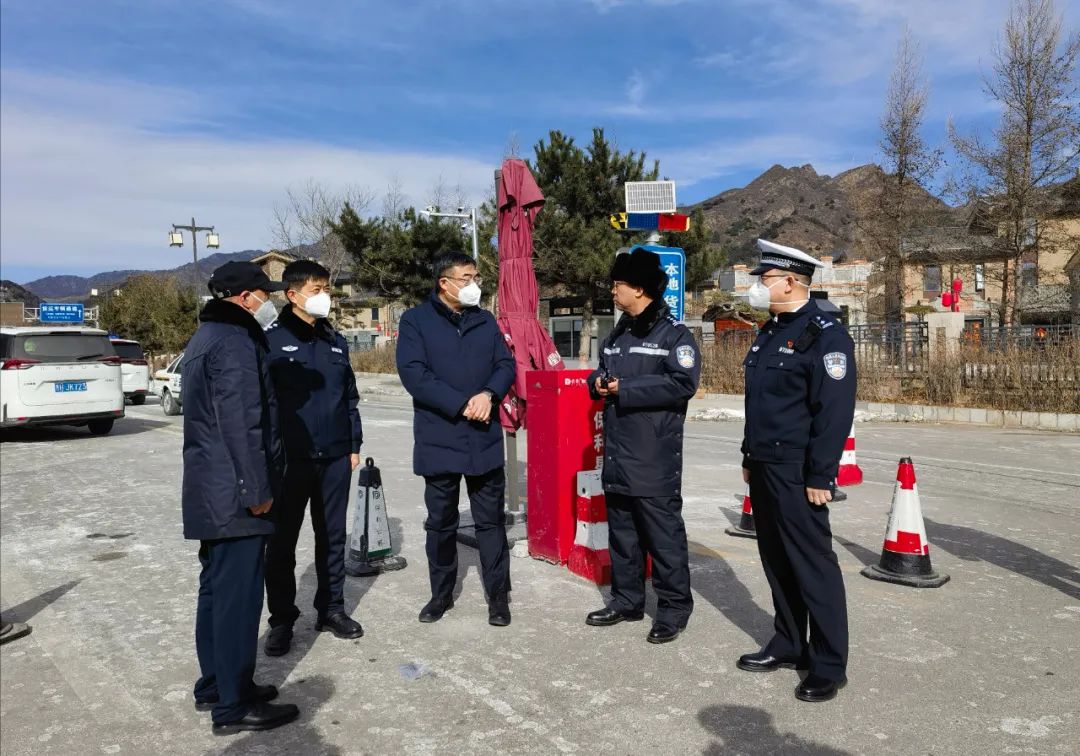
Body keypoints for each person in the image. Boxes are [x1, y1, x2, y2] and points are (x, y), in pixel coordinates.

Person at [181, 261, 299, 734]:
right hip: (234, 493)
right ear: (246, 297)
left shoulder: (206, 336)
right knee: (237, 598)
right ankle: (232, 706)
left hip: (212, 490)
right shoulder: (234, 341)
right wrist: (256, 488)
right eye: (264, 294)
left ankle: (217, 684)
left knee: (216, 591)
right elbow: (242, 420)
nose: (269, 301)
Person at [737, 238, 856, 703]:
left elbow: (833, 412)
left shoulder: (825, 335)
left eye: (764, 279)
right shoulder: (770, 331)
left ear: (790, 281)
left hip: (798, 468)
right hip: (765, 464)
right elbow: (759, 404)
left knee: (812, 564)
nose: (757, 287)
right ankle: (788, 642)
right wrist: (749, 456)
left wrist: (821, 475)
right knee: (777, 559)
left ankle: (828, 664)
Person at [584, 247, 700, 644]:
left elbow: (682, 384)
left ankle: (673, 609)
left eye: (617, 284)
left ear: (638, 288)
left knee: (663, 539)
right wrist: (597, 384)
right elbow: (601, 372)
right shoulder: (619, 332)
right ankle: (627, 601)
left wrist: (625, 388)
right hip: (618, 453)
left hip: (653, 456)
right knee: (623, 536)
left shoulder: (674, 335)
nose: (612, 290)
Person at [396, 251, 516, 626]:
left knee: (491, 522)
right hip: (439, 437)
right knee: (441, 523)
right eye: (466, 278)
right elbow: (414, 374)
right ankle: (441, 594)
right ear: (444, 283)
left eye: (476, 277)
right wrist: (462, 404)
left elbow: (505, 364)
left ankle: (498, 596)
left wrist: (489, 394)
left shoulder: (484, 320)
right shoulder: (415, 321)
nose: (474, 284)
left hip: (483, 437)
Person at [263, 260, 364, 657]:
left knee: (332, 537)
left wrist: (353, 444)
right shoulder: (270, 341)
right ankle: (282, 620)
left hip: (335, 457)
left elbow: (349, 398)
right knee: (282, 543)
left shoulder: (335, 340)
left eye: (327, 289)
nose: (325, 297)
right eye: (317, 289)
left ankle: (331, 609)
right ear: (292, 294)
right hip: (290, 460)